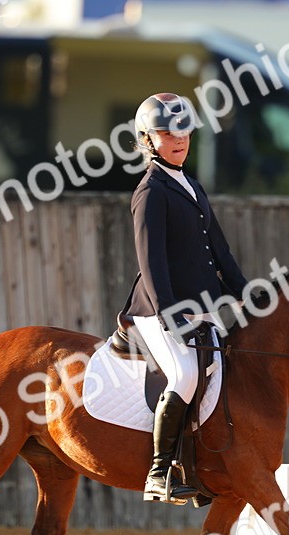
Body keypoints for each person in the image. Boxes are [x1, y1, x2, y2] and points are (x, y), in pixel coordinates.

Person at [119, 93, 249, 505]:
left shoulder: (190, 185)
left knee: (222, 376)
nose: (178, 138)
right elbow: (152, 263)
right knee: (186, 377)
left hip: (200, 309)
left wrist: (246, 294)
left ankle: (196, 468)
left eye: (184, 131)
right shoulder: (150, 192)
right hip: (157, 311)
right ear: (147, 138)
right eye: (167, 132)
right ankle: (159, 473)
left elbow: (220, 252)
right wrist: (170, 316)